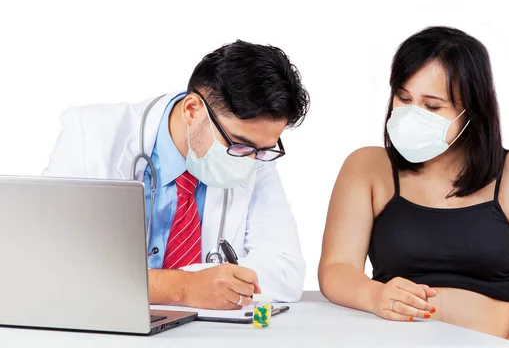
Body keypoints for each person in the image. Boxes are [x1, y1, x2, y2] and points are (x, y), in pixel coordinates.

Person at [318, 27, 509, 347]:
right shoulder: (367, 167)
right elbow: (336, 269)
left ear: (471, 111)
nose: (412, 114)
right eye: (404, 97)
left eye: (433, 106)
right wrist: (374, 294)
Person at [43, 40, 310, 309]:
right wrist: (182, 287)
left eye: (263, 150)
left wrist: (210, 284)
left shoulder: (257, 157)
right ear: (192, 110)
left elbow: (286, 271)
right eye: (239, 145)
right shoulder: (89, 135)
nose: (252, 160)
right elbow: (51, 259)